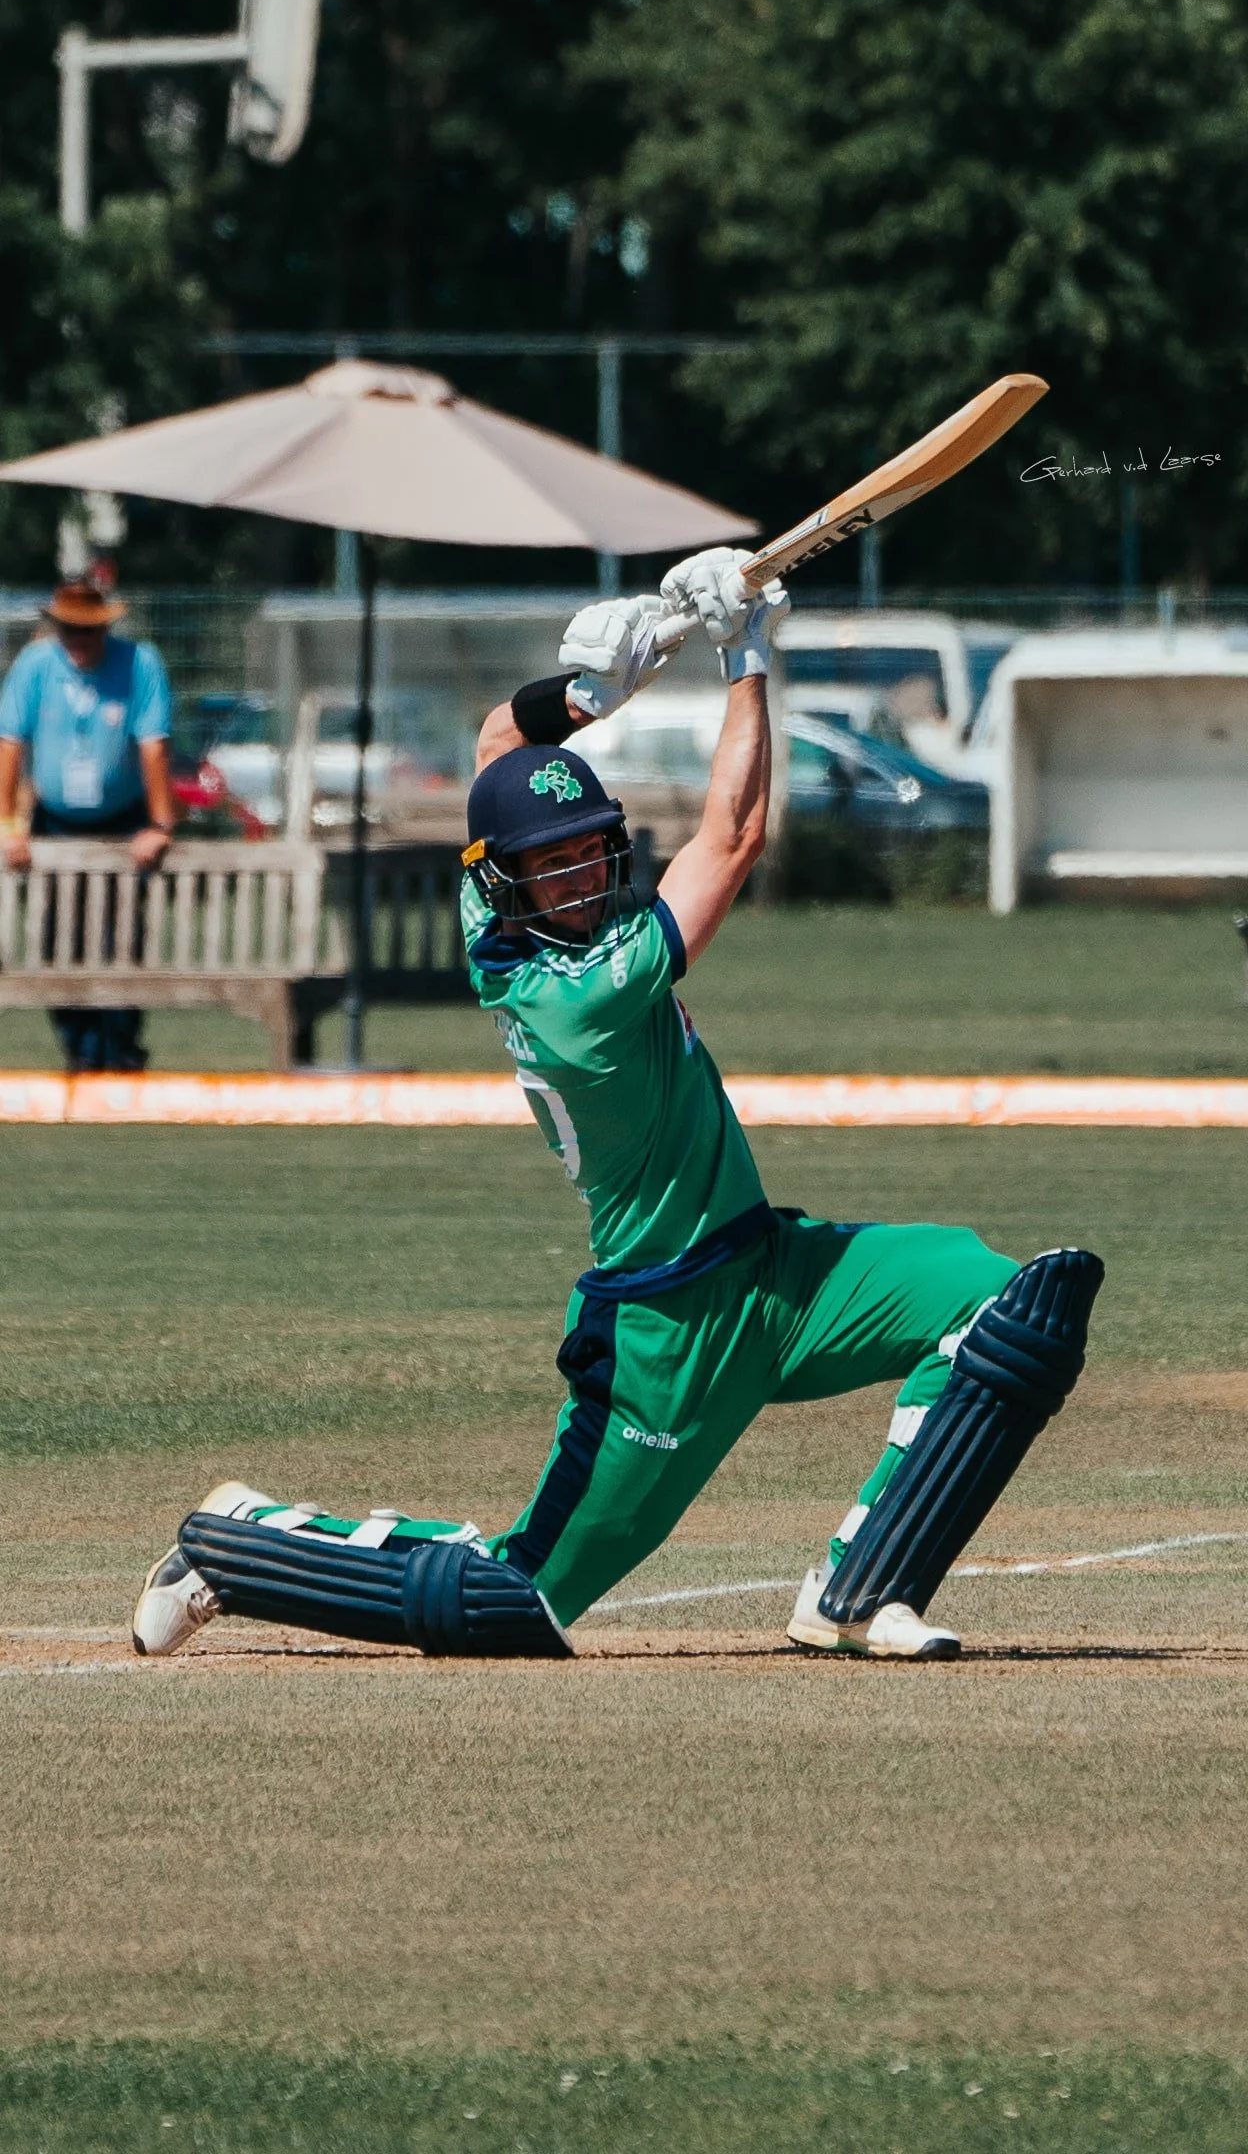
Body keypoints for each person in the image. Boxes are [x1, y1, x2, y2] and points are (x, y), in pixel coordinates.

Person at [132, 549, 1103, 1663]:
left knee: (1007, 1305)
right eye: (555, 869)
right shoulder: (579, 997)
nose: (585, 881)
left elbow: (501, 747)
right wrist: (743, 657)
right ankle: (236, 1538)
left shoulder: (489, 898)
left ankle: (859, 1589)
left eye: (594, 851)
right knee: (512, 1601)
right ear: (509, 880)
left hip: (776, 1272)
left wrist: (590, 695)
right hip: (667, 1329)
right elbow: (732, 840)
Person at [0, 579, 176, 1071]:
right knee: (59, 937)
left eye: (88, 631)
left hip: (124, 821)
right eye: (69, 630)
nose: (78, 642)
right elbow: (9, 745)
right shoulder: (34, 666)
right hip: (53, 822)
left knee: (121, 936)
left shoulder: (141, 664)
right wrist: (8, 826)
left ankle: (120, 1051)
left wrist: (161, 825)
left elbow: (154, 746)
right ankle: (80, 1050)